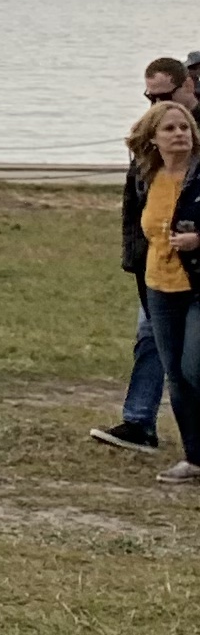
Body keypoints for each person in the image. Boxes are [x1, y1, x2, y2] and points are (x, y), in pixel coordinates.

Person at [101, 61, 196, 455]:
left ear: (188, 86)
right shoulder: (149, 148)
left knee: (191, 364)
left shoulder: (190, 140)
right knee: (153, 342)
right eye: (149, 97)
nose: (155, 104)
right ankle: (140, 422)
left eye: (163, 96)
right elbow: (135, 209)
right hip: (158, 273)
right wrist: (135, 261)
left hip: (195, 274)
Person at [120, 92, 200, 485]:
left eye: (185, 127)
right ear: (153, 138)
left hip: (197, 284)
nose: (179, 133)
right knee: (176, 377)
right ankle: (195, 458)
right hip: (159, 286)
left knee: (193, 367)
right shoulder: (145, 177)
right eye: (169, 128)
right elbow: (137, 230)